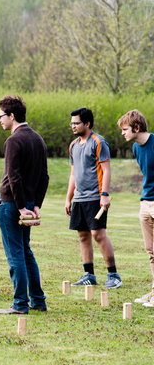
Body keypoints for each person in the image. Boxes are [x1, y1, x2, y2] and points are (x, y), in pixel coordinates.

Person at [0, 95, 49, 315]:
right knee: (26, 252)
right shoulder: (38, 138)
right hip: (28, 203)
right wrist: (35, 204)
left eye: (0, 116)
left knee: (15, 254)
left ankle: (19, 304)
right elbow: (44, 177)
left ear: (12, 116)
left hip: (11, 204)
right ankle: (38, 300)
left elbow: (13, 176)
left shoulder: (14, 140)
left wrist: (18, 207)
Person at [65, 107, 122, 288]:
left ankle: (113, 275)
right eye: (72, 123)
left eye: (77, 123)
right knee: (83, 236)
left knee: (98, 234)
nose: (73, 126)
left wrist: (104, 195)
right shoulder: (73, 145)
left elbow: (106, 171)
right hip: (79, 199)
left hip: (95, 197)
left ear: (87, 123)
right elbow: (73, 174)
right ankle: (89, 275)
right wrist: (68, 198)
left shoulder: (98, 142)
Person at [118, 109, 154, 307]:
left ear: (136, 127)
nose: (122, 133)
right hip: (145, 201)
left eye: (125, 129)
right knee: (151, 251)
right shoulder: (136, 148)